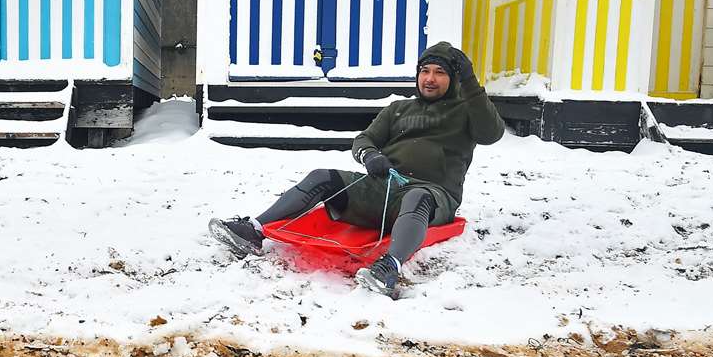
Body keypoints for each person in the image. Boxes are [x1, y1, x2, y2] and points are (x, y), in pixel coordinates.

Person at [208, 42, 504, 297]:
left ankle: (390, 267)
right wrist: (370, 156)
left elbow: (492, 134)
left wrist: (471, 83)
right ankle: (254, 230)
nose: (430, 79)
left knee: (417, 198)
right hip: (385, 189)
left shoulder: (467, 111)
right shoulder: (398, 109)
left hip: (432, 196)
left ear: (453, 79)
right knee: (322, 176)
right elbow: (364, 140)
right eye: (425, 71)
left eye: (440, 73)